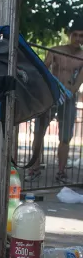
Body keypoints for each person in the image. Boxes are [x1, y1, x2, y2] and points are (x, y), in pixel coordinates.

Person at [27, 20, 83, 184]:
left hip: (68, 98)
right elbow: (44, 69)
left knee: (65, 137)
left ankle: (61, 172)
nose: (78, 39)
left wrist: (68, 94)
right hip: (49, 96)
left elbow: (79, 80)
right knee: (38, 133)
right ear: (69, 35)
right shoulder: (56, 51)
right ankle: (34, 169)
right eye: (75, 35)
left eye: (81, 36)